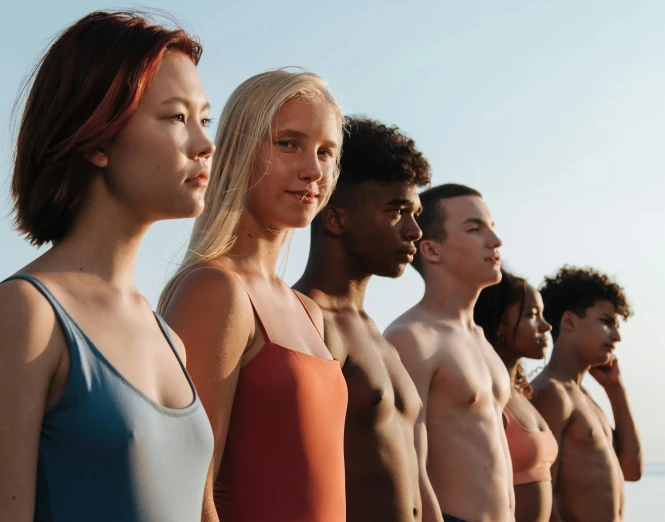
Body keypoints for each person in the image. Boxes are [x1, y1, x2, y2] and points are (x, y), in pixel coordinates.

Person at [0, 11, 215, 522]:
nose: (205, 145)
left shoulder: (169, 337)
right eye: (176, 118)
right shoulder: (26, 315)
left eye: (205, 119)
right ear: (97, 137)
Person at [158, 70, 347, 522]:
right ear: (241, 149)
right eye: (288, 143)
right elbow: (187, 489)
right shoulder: (214, 290)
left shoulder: (308, 311)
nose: (313, 169)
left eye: (326, 152)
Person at [293, 116, 439, 522]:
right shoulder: (302, 319)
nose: (414, 230)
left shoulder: (375, 333)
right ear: (336, 218)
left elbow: (414, 472)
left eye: (416, 213)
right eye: (396, 211)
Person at [385, 184, 514, 522]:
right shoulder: (411, 338)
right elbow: (406, 464)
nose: (494, 241)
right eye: (474, 229)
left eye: (492, 228)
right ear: (431, 249)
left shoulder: (481, 341)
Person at [530, 266, 643, 522]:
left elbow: (631, 470)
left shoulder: (585, 398)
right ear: (569, 322)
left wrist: (616, 390)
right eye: (607, 322)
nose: (616, 336)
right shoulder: (551, 394)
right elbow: (539, 497)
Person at [474, 268, 558, 522]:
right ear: (498, 321)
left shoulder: (521, 393)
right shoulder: (482, 391)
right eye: (532, 315)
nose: (546, 325)